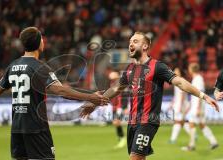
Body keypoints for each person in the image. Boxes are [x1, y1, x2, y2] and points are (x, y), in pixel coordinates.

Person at [80, 32, 219, 160]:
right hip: (132, 122)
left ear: (145, 46)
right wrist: (94, 103)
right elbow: (115, 89)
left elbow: (180, 82)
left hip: (148, 121)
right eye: (130, 42)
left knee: (135, 158)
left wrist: (203, 96)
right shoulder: (129, 69)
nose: (130, 44)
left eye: (135, 41)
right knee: (139, 158)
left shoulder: (157, 66)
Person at [0, 27, 109, 160]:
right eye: (42, 39)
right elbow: (60, 90)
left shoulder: (12, 66)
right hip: (36, 127)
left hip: (17, 128)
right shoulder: (39, 67)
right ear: (39, 43)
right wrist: (90, 97)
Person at [181, 63, 218, 151]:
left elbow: (200, 93)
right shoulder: (197, 79)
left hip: (198, 106)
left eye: (189, 68)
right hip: (197, 106)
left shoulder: (198, 79)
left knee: (191, 124)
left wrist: (197, 108)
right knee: (201, 125)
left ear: (191, 69)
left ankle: (192, 145)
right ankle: (214, 142)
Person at [168, 67, 190, 144]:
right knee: (182, 121)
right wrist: (172, 103)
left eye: (176, 71)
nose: (175, 72)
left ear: (180, 72)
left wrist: (180, 105)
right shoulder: (175, 81)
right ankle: (193, 134)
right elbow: (176, 95)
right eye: (174, 71)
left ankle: (173, 139)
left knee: (178, 121)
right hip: (178, 104)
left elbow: (182, 94)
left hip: (181, 105)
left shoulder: (181, 80)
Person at [108, 71, 128, 149]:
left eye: (113, 78)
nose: (112, 80)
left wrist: (125, 107)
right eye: (111, 79)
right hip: (114, 107)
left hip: (120, 107)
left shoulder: (122, 84)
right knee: (115, 123)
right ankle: (121, 138)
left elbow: (125, 95)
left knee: (117, 122)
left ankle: (122, 139)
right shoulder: (112, 85)